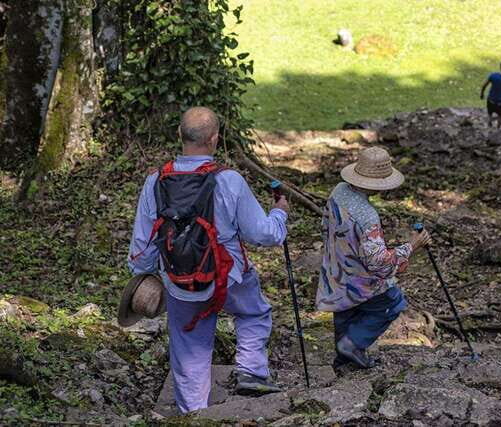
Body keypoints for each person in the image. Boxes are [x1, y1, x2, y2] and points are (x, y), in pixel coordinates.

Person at [127, 107, 290, 413]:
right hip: (228, 277)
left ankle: (194, 413)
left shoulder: (156, 181)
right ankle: (251, 371)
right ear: (215, 139)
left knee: (189, 344)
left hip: (178, 279)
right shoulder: (229, 181)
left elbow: (143, 242)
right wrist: (280, 213)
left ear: (179, 134)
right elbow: (263, 234)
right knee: (253, 313)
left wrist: (145, 275)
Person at [317, 146, 432, 370]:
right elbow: (378, 263)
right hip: (361, 279)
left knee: (345, 312)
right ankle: (352, 344)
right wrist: (411, 246)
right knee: (392, 302)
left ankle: (344, 362)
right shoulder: (367, 216)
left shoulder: (338, 191)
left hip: (337, 269)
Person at [480, 61, 501, 129]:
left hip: (491, 100)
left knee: (490, 113)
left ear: (500, 67)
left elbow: (484, 86)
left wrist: (482, 94)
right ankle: (498, 128)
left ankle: (489, 124)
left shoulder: (493, 75)